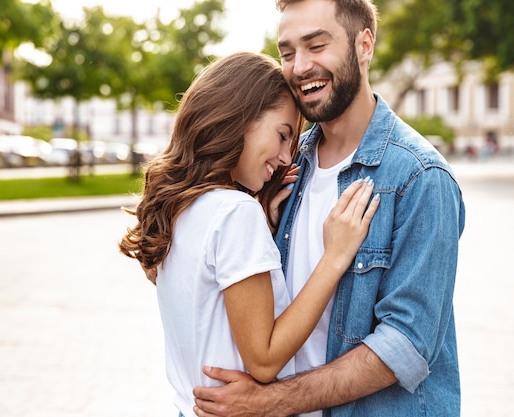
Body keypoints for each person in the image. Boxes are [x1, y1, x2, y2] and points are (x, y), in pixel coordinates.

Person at [192, 1, 466, 416]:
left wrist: (272, 402)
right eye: (287, 53)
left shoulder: (419, 176)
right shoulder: (284, 165)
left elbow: (406, 344)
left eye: (316, 45)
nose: (300, 67)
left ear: (364, 45)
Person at [118, 51, 380, 417]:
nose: (288, 158)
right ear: (239, 118)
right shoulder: (234, 213)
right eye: (283, 135)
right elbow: (264, 360)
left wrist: (265, 229)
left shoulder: (180, 207)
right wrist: (334, 257)